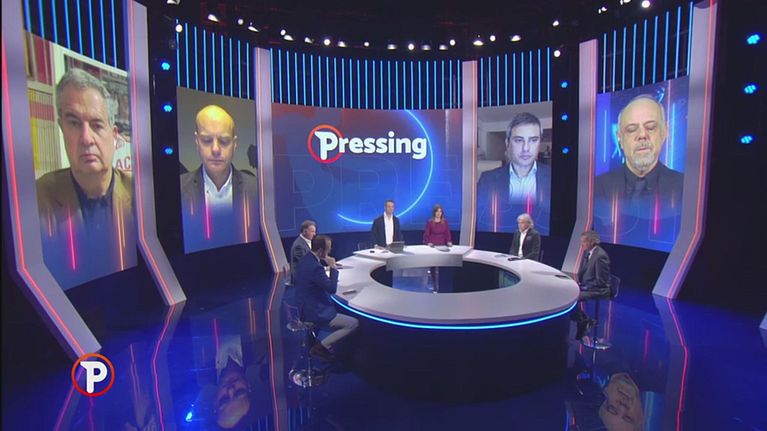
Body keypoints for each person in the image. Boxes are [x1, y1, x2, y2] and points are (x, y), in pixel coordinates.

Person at [36, 68, 133, 233]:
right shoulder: (37, 199)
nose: (86, 138)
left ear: (114, 136)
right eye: (74, 123)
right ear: (62, 128)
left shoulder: (141, 194)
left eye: (97, 125)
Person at [180, 105, 259, 250]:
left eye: (224, 141)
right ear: (197, 141)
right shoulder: (177, 189)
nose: (215, 149)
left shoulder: (257, 190)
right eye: (206, 140)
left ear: (235, 144)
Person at [594, 95, 683, 206]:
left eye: (650, 127)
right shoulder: (596, 188)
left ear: (664, 132)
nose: (642, 135)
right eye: (631, 129)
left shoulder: (685, 187)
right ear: (619, 138)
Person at [476, 112, 551, 232]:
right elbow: (479, 222)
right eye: (519, 140)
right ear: (508, 143)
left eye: (533, 140)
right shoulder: (487, 180)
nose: (526, 148)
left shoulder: (555, 178)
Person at [294, 235, 359, 361]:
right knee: (353, 324)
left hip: (302, 307)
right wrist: (333, 267)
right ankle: (321, 347)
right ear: (320, 251)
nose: (330, 251)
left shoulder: (306, 259)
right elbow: (332, 289)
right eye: (328, 249)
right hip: (315, 313)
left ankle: (314, 343)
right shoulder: (316, 268)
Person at [572, 230, 611, 341]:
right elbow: (584, 272)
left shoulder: (600, 256)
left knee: (572, 298)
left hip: (599, 289)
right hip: (588, 286)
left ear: (592, 242)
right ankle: (583, 319)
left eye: (584, 242)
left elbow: (601, 282)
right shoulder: (589, 252)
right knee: (568, 293)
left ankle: (583, 320)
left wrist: (584, 287)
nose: (582, 245)